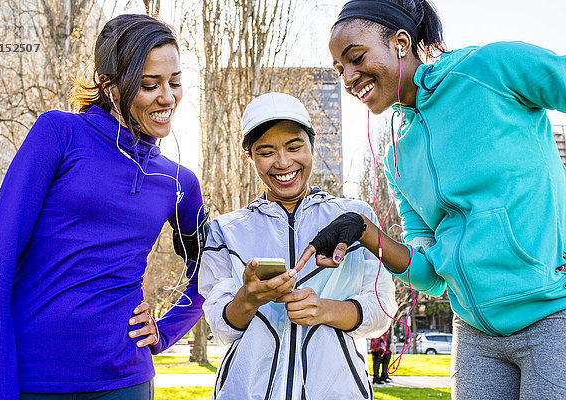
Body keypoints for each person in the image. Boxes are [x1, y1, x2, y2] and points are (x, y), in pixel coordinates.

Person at [296, 0, 566, 399]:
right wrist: (367, 233)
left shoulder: (489, 70)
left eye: (356, 58)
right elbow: (430, 275)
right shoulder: (397, 156)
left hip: (552, 315)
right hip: (475, 334)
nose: (349, 78)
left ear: (401, 42)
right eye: (340, 70)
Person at [0, 14, 208, 399]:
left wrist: (164, 331)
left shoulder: (178, 182)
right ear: (109, 84)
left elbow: (210, 270)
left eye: (174, 83)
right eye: (149, 85)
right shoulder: (59, 135)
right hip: (36, 381)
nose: (167, 97)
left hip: (127, 382)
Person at [198, 92, 398, 400]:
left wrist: (323, 309)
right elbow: (221, 327)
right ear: (250, 157)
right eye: (266, 152)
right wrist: (247, 299)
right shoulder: (226, 230)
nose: (283, 162)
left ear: (313, 147)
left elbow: (380, 312)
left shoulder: (355, 220)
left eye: (294, 147)